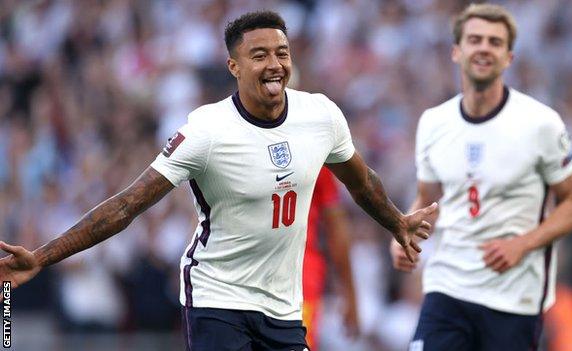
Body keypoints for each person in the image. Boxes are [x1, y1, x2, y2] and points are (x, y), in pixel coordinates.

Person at [0, 10, 437, 351]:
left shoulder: (320, 116)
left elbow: (362, 184)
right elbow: (126, 205)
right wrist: (42, 256)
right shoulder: (206, 130)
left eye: (281, 53)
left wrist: (397, 221)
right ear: (233, 65)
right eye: (259, 55)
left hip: (283, 303)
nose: (274, 65)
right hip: (217, 296)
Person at [390, 3, 572, 351]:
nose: (484, 47)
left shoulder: (540, 123)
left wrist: (523, 244)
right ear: (457, 51)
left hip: (513, 297)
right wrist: (404, 234)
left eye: (495, 42)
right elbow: (427, 200)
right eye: (475, 39)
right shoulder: (433, 123)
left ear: (509, 57)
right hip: (447, 286)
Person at [303, 166, 359, 349]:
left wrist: (350, 295)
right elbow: (336, 227)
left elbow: (336, 227)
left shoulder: (314, 150)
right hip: (299, 284)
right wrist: (350, 296)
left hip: (298, 286)